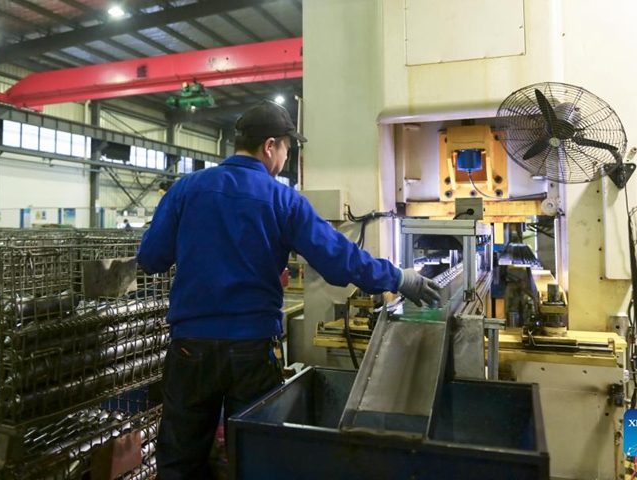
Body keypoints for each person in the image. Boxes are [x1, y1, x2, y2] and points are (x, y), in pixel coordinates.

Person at [136, 100, 439, 480]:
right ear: (269, 146)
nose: (285, 158)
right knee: (255, 456)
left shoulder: (186, 190)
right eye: (286, 149)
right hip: (250, 350)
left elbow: (150, 258)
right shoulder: (283, 200)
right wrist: (398, 278)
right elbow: (337, 260)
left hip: (189, 348)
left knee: (180, 460)